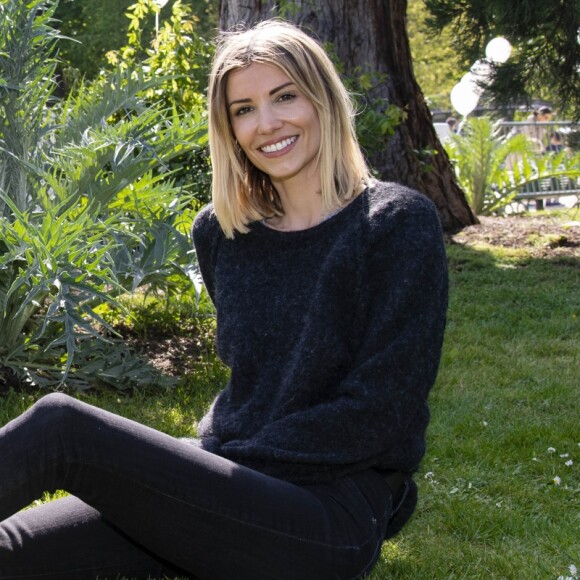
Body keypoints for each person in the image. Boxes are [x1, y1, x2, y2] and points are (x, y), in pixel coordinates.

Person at [0, 19, 448, 579]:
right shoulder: (222, 233)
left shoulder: (394, 225)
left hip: (328, 514)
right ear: (229, 127)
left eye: (285, 96)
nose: (267, 123)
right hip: (231, 483)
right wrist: (203, 468)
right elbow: (256, 381)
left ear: (324, 100)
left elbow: (381, 408)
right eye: (244, 108)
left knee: (61, 429)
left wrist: (210, 466)